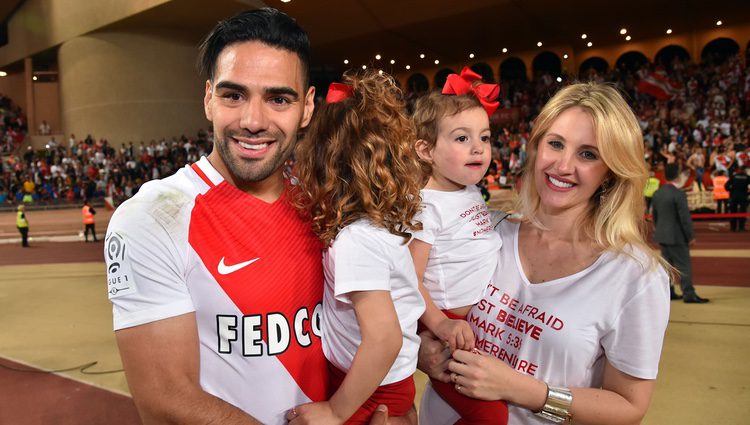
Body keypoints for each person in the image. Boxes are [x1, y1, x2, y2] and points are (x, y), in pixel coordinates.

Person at [103, 9, 397, 425]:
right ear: (208, 98)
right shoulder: (153, 217)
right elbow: (165, 399)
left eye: (278, 99)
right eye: (233, 95)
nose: (253, 121)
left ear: (308, 108)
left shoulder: (328, 200)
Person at [418, 83, 671, 425]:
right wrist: (419, 351)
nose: (563, 166)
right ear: (535, 148)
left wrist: (523, 390)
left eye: (588, 154)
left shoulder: (635, 276)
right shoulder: (483, 230)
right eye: (555, 144)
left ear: (610, 170)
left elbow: (629, 407)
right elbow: (410, 293)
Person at [290, 72, 424, 424]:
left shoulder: (356, 241)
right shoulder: (372, 226)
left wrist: (335, 411)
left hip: (372, 386)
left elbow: (384, 338)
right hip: (382, 380)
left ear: (323, 162)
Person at [409, 68, 508, 424]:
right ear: (426, 150)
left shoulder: (467, 191)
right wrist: (439, 324)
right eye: (462, 138)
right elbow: (408, 279)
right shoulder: (426, 206)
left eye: (484, 136)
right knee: (492, 416)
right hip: (451, 327)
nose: (478, 147)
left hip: (479, 325)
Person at [652, 164, 709, 303]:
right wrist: (690, 236)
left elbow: (654, 215)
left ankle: (669, 292)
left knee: (667, 267)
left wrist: (658, 229)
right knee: (684, 266)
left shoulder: (657, 193)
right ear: (677, 176)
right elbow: (685, 218)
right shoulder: (679, 194)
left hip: (663, 235)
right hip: (677, 236)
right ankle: (688, 294)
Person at [726, 166, 749, 232]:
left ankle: (733, 228)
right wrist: (747, 193)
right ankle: (741, 227)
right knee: (743, 212)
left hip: (734, 196)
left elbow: (726, 186)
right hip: (743, 196)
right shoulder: (747, 177)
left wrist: (731, 190)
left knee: (733, 211)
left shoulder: (734, 176)